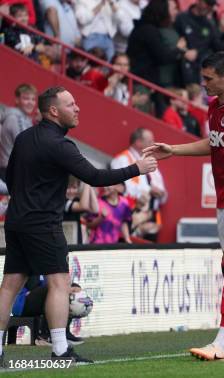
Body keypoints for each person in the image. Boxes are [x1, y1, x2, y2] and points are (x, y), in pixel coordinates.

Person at [0, 86, 157, 364]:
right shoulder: (59, 144)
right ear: (53, 111)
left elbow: (10, 176)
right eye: (71, 104)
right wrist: (137, 169)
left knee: (9, 285)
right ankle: (60, 349)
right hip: (43, 224)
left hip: (15, 221)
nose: (78, 108)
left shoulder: (24, 138)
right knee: (60, 283)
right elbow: (95, 177)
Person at [144, 51, 224, 361]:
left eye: (208, 78)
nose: (203, 84)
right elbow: (214, 143)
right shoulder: (215, 107)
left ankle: (221, 344)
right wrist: (173, 150)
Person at [111, 128, 168, 236]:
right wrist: (149, 190)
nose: (154, 144)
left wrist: (162, 193)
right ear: (138, 142)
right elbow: (121, 188)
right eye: (150, 141)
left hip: (152, 220)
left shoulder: (150, 160)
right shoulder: (122, 159)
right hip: (131, 218)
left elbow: (164, 194)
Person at [11, 276, 90, 346]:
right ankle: (45, 336)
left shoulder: (50, 268)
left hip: (36, 300)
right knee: (54, 290)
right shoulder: (32, 265)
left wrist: (74, 288)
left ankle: (65, 332)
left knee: (67, 290)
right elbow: (33, 285)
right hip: (21, 303)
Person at [174, 0, 224, 85]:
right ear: (199, 1)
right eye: (208, 3)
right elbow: (174, 40)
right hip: (180, 66)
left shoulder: (209, 24)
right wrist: (184, 52)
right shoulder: (181, 18)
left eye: (212, 5)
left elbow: (216, 45)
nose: (209, 7)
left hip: (199, 69)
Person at [0, 84, 37, 181]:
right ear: (17, 100)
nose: (30, 102)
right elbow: (26, 147)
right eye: (26, 99)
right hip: (11, 170)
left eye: (33, 99)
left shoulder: (24, 118)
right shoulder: (15, 118)